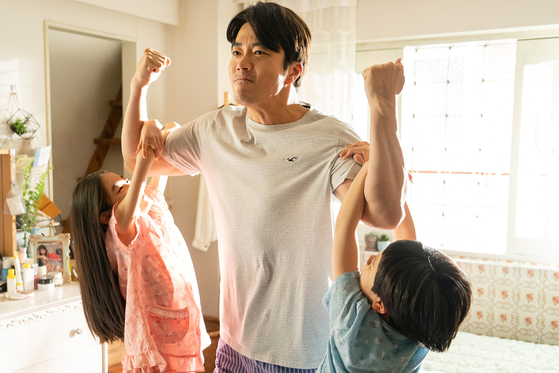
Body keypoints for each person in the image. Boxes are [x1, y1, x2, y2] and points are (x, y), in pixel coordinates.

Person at [123, 2, 407, 371]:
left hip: (305, 351)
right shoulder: (214, 130)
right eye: (237, 51)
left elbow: (385, 214)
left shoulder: (328, 137)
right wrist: (139, 86)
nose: (243, 62)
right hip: (235, 344)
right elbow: (135, 160)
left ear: (293, 70)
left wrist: (382, 107)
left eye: (259, 52)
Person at [70, 121, 210, 373]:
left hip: (176, 320)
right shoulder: (121, 229)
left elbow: (158, 172)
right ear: (106, 215)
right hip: (155, 335)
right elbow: (144, 169)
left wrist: (166, 132)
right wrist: (149, 138)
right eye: (119, 188)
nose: (128, 184)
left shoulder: (150, 212)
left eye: (125, 180)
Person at [317, 163, 472, 372]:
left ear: (380, 304)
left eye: (371, 266)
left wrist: (371, 165)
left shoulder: (351, 323)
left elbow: (345, 226)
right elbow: (407, 247)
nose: (367, 261)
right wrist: (386, 170)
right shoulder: (420, 332)